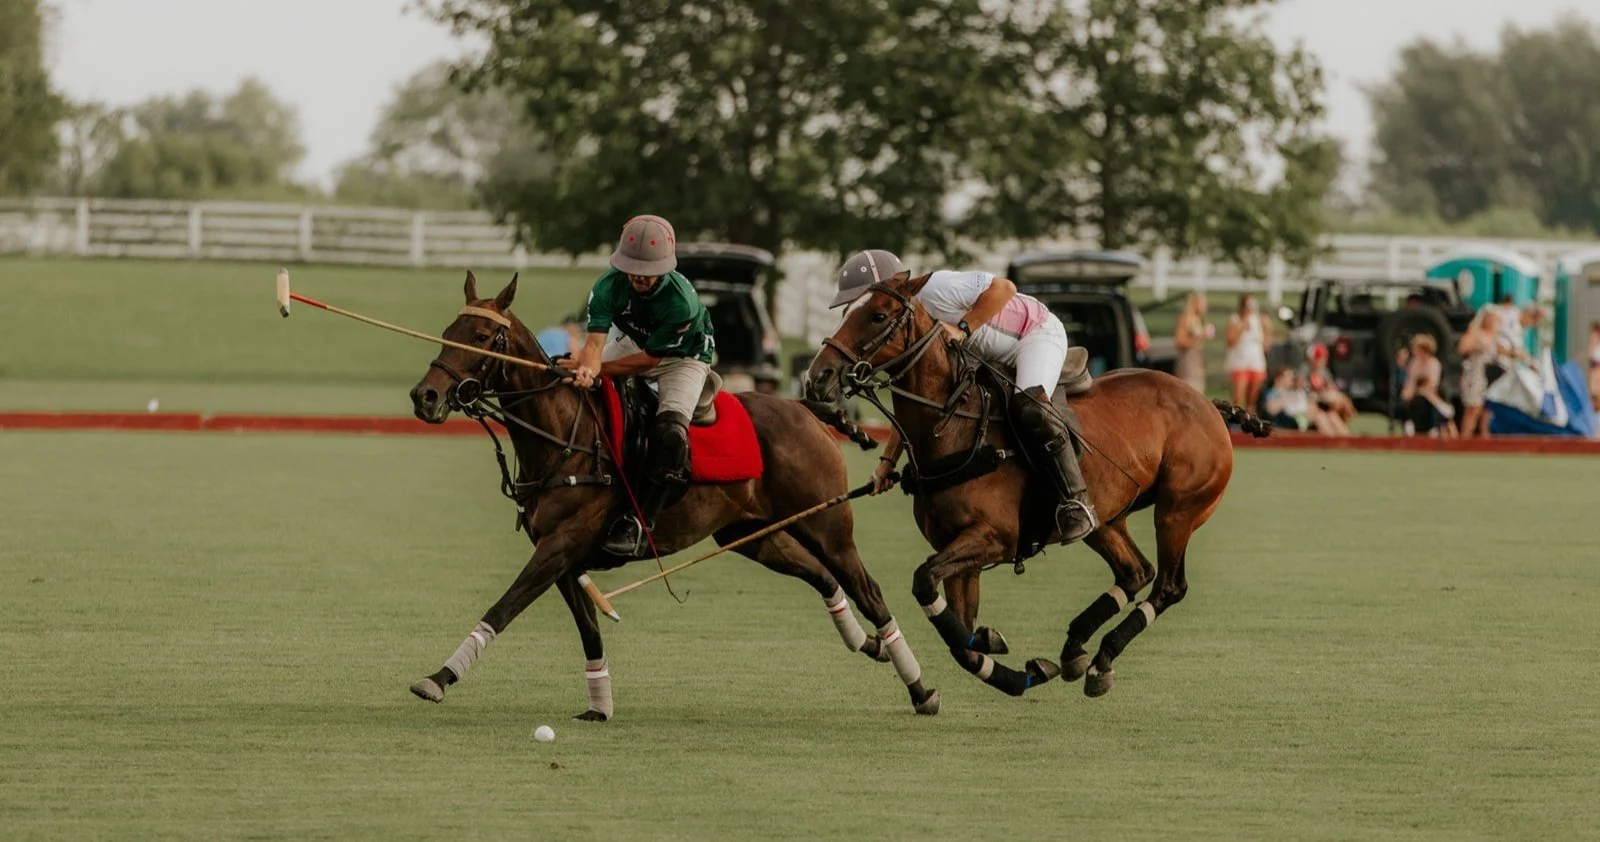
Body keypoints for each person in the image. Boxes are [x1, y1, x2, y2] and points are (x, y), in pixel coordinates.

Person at [830, 249, 1096, 543]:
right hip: (987, 354)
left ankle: (1077, 502)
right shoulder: (908, 324)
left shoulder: (936, 287)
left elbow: (1005, 288)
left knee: (1029, 406)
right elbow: (911, 411)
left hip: (1035, 334)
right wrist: (886, 465)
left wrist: (963, 328)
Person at [560, 214, 719, 555]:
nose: (638, 276)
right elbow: (594, 344)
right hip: (633, 342)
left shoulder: (682, 302)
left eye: (646, 270)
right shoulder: (607, 286)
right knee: (572, 386)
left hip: (683, 359)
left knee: (671, 434)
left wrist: (599, 369)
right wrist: (588, 366)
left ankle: (639, 521)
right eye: (631, 267)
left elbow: (649, 361)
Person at [1400, 334, 1457, 438]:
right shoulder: (1414, 364)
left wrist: (1420, 390)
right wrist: (1408, 393)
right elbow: (1410, 383)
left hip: (1430, 396)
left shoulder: (1434, 364)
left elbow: (1431, 386)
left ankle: (1431, 428)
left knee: (1423, 401)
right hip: (1416, 395)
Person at [1264, 366, 1347, 436]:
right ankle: (1334, 443)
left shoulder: (1293, 391)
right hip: (1291, 422)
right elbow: (1271, 410)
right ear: (1279, 378)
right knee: (1320, 417)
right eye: (1289, 377)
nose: (1291, 380)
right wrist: (1284, 399)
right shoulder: (1273, 393)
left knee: (1332, 415)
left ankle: (1349, 441)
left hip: (1307, 416)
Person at [1457, 309, 1502, 438]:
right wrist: (1476, 346)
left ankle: (1484, 436)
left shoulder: (1494, 336)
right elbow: (1462, 348)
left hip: (1489, 373)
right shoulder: (1476, 333)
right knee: (1473, 406)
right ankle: (1465, 436)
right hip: (1475, 372)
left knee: (1486, 409)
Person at [1225, 294, 1270, 413]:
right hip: (1239, 362)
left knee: (1252, 401)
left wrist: (1267, 329)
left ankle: (1249, 425)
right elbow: (1230, 342)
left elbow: (1266, 344)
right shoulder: (1235, 319)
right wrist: (1242, 327)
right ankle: (1234, 425)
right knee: (1238, 399)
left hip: (1256, 362)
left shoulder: (1259, 321)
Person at [1173, 292, 1214, 393]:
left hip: (1197, 368)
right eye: (1203, 304)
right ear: (1195, 303)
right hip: (1188, 368)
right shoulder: (1186, 319)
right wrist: (1200, 337)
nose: (1206, 307)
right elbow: (1179, 341)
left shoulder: (1198, 320)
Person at [1305, 344, 1356, 425]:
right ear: (1313, 359)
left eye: (1324, 358)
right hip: (1313, 400)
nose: (1323, 361)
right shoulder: (1306, 370)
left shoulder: (1325, 371)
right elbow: (1308, 391)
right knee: (1337, 400)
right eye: (1320, 358)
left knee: (1341, 400)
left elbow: (1331, 386)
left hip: (1323, 399)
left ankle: (1342, 423)